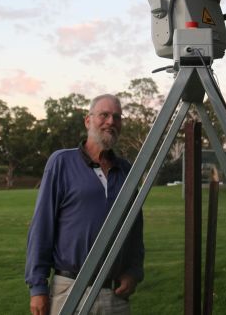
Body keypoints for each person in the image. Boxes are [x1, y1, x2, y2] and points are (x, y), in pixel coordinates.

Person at [25, 94, 144, 315]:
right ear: (88, 120)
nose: (111, 122)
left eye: (117, 117)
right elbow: (42, 225)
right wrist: (38, 287)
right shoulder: (61, 162)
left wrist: (133, 272)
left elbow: (135, 229)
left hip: (114, 294)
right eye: (104, 115)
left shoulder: (127, 170)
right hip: (69, 289)